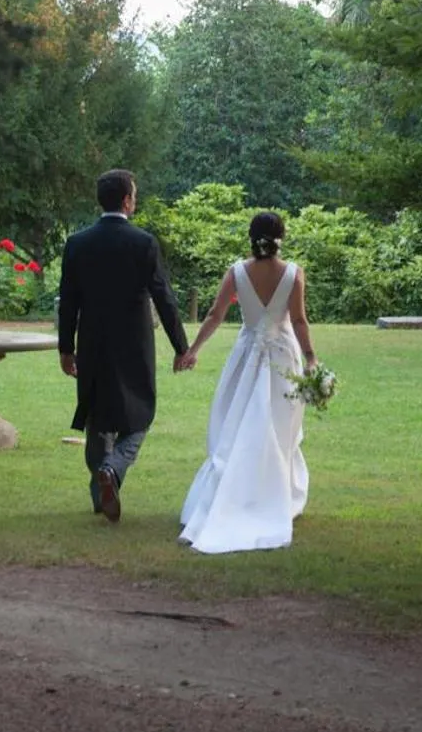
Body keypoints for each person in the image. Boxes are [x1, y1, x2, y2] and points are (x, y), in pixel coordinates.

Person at [175, 211, 316, 554]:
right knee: (278, 428)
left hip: (246, 357)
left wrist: (193, 350)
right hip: (283, 357)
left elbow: (215, 314)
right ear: (281, 237)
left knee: (237, 425)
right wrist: (311, 357)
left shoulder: (237, 272)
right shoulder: (293, 273)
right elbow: (299, 320)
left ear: (251, 237)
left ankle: (236, 494)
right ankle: (272, 495)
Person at [57, 169, 191, 523]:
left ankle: (100, 493)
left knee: (97, 415)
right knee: (140, 415)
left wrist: (65, 348)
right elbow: (164, 297)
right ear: (127, 201)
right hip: (134, 343)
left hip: (92, 342)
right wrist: (181, 347)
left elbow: (68, 302)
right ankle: (112, 469)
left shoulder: (77, 243)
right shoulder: (143, 242)